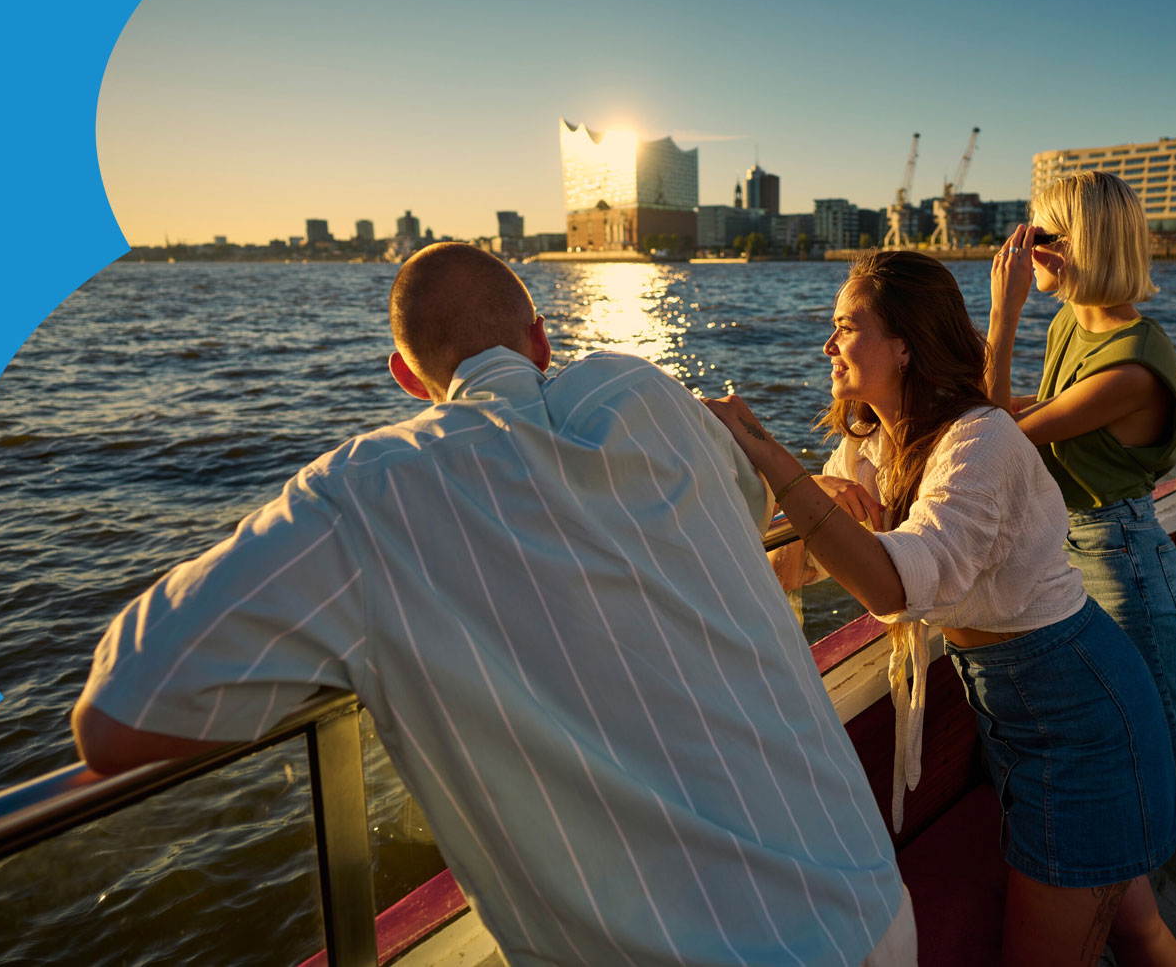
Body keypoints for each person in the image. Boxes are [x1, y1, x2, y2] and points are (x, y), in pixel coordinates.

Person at [72, 243, 914, 967]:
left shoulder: (367, 494)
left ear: (407, 378)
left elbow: (117, 716)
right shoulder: (653, 397)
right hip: (872, 905)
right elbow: (740, 521)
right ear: (539, 338)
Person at [703, 250, 1176, 967]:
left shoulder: (980, 440)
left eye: (845, 327)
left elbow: (894, 586)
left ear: (904, 344)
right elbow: (796, 562)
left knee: (1120, 936)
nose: (827, 346)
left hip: (1083, 714)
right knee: (1134, 929)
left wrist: (770, 455)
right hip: (1023, 715)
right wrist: (778, 493)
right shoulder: (874, 444)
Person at [985, 171, 1176, 967]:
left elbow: (997, 439)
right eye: (1031, 232)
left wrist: (1002, 314)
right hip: (1070, 555)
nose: (1031, 247)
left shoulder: (1134, 365)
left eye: (1048, 235)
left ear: (1088, 246)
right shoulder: (1071, 327)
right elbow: (1004, 420)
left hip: (1123, 567)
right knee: (1122, 756)